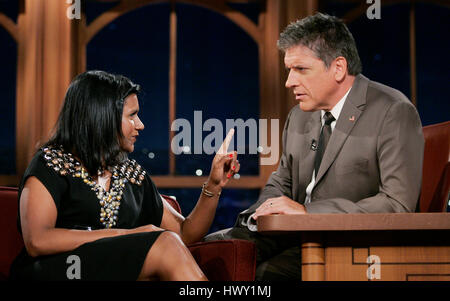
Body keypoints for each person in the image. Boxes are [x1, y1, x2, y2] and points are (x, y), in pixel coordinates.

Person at [205, 12, 424, 280]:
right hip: (289, 234)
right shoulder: (299, 115)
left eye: (301, 69)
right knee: (210, 254)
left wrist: (308, 213)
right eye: (289, 70)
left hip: (347, 245)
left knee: (264, 275)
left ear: (339, 68)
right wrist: (261, 214)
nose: (289, 82)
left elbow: (397, 204)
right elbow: (280, 183)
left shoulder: (393, 111)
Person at [9, 70, 240, 281]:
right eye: (132, 115)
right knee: (165, 245)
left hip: (110, 271)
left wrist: (214, 184)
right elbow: (38, 240)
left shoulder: (130, 174)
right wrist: (128, 236)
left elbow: (184, 233)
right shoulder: (50, 163)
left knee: (168, 244)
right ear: (102, 117)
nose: (140, 125)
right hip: (61, 270)